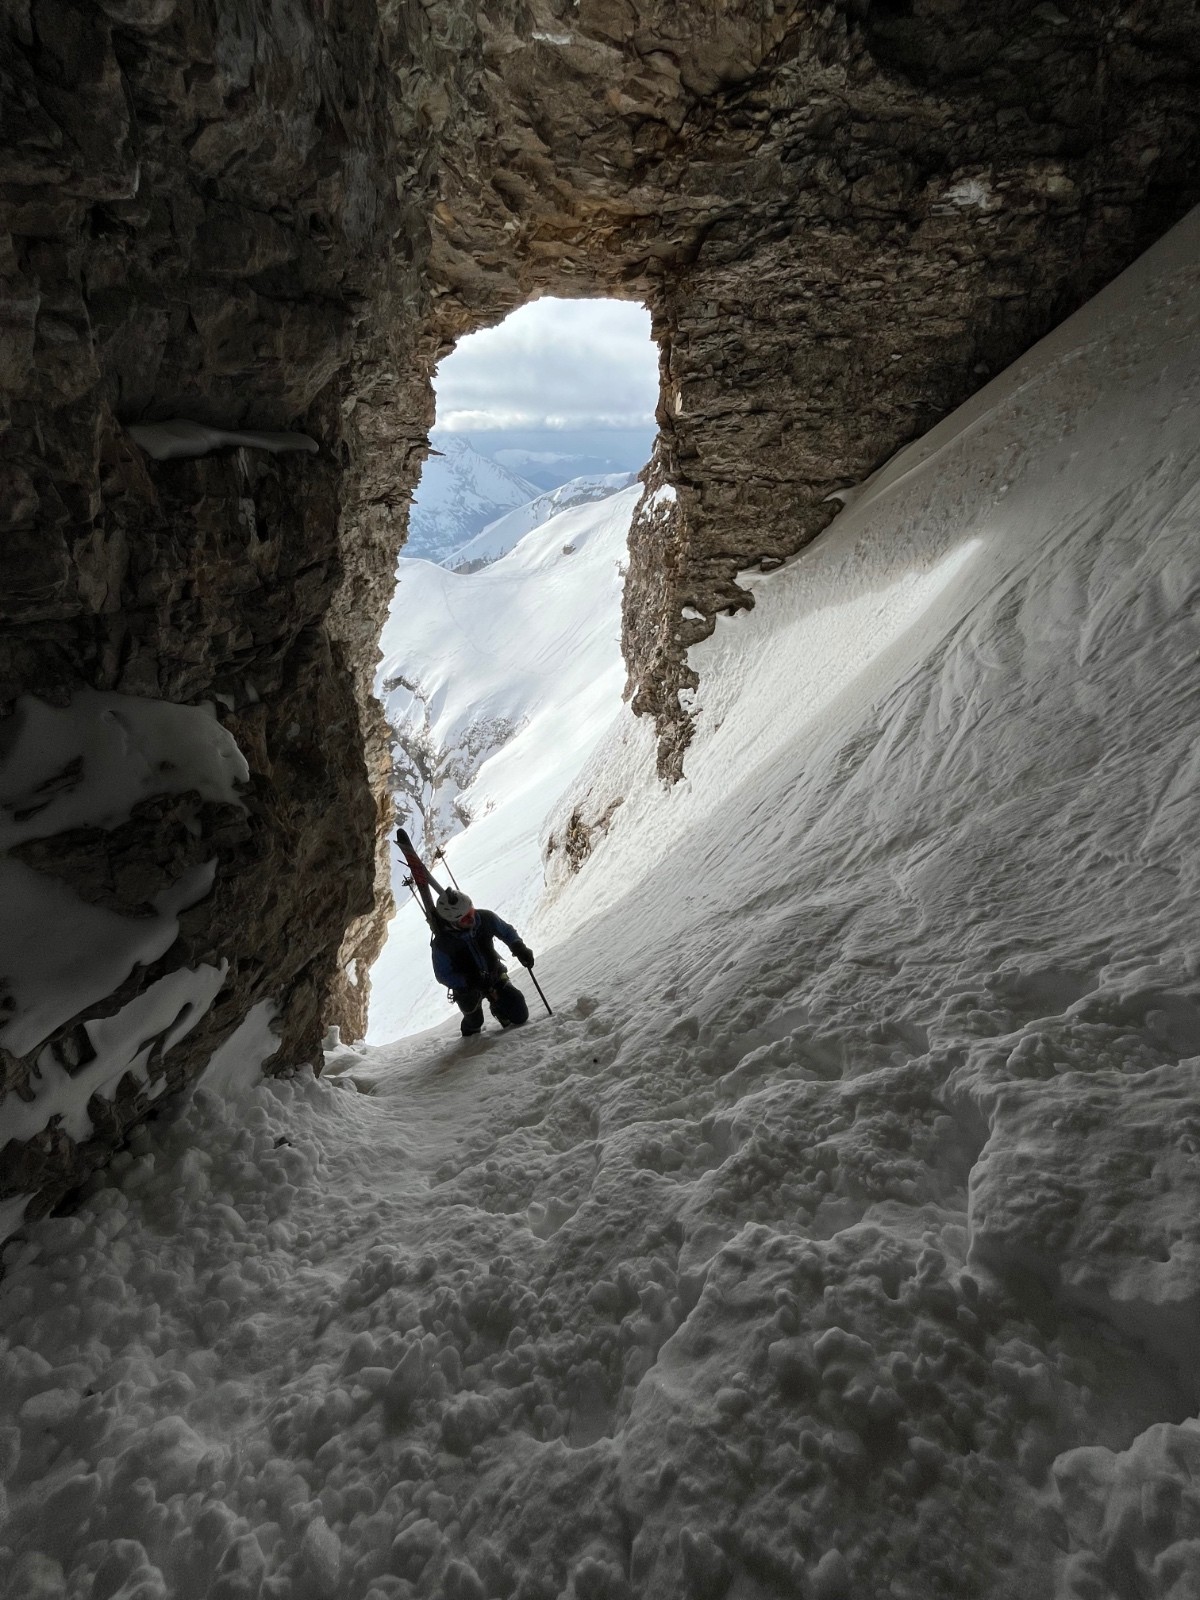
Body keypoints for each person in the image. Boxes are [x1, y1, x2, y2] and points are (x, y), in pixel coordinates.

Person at [430, 887, 535, 1036]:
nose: (472, 918)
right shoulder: (443, 944)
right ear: (452, 923)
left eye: (471, 912)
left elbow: (506, 931)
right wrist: (469, 981)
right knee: (474, 1022)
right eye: (465, 918)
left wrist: (518, 946)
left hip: (494, 974)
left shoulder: (485, 918)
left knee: (520, 1014)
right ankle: (471, 1041)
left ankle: (499, 1008)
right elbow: (443, 974)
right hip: (467, 988)